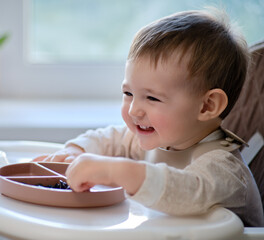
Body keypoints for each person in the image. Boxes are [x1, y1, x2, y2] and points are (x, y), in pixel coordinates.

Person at [34, 9, 264, 227]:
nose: (134, 110)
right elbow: (110, 138)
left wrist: (118, 172)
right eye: (128, 94)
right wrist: (76, 152)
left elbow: (183, 191)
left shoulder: (224, 170)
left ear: (207, 105)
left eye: (152, 98)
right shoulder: (159, 137)